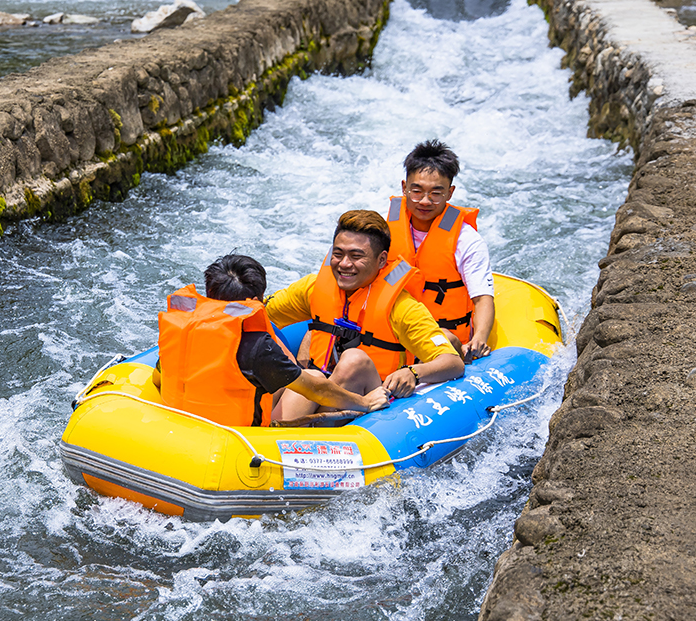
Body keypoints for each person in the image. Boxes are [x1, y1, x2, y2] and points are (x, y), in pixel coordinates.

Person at [266, 210, 465, 423]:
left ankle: (288, 437)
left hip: (370, 396)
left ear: (381, 261)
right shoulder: (313, 288)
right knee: (289, 356)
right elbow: (263, 312)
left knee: (354, 360)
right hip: (318, 385)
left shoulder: (402, 307)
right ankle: (269, 435)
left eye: (356, 256)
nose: (344, 264)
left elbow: (452, 362)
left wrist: (413, 373)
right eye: (338, 253)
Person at [156, 254, 389, 427]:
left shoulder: (183, 331)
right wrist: (364, 402)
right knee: (316, 376)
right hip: (237, 442)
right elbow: (316, 390)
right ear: (258, 299)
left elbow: (159, 378)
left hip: (179, 429)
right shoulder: (256, 345)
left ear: (209, 293)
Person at [385, 139, 495, 361]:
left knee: (442, 337)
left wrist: (480, 337)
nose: (425, 201)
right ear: (404, 187)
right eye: (416, 191)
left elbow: (482, 298)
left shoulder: (466, 240)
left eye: (436, 193)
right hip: (393, 331)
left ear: (450, 192)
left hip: (442, 337)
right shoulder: (383, 232)